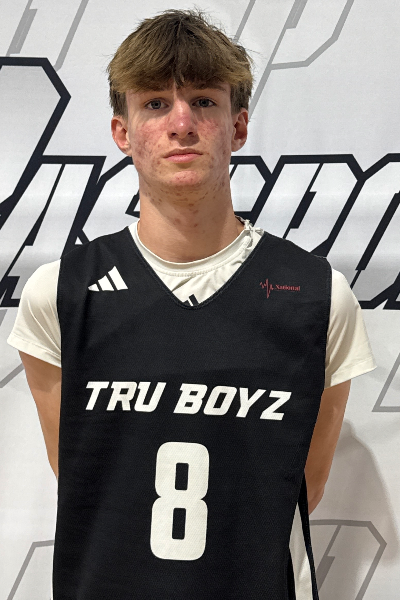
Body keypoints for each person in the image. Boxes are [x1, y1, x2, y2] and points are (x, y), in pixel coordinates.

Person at [7, 8, 377, 600]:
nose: (181, 123)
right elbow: (83, 476)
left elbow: (298, 487)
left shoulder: (318, 296)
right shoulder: (61, 293)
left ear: (239, 126)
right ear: (122, 132)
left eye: (204, 101)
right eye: (155, 103)